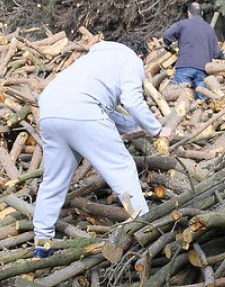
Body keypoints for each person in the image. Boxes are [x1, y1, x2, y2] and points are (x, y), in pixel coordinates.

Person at [31, 35, 172, 258]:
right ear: (141, 55)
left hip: (49, 110)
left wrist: (139, 124)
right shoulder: (131, 59)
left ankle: (41, 242)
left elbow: (104, 110)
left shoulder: (94, 59)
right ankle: (145, 227)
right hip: (82, 110)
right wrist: (157, 129)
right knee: (122, 167)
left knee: (54, 179)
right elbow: (132, 101)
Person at [163, 2, 222, 99]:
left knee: (181, 98)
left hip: (184, 66)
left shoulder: (182, 24)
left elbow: (166, 35)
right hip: (203, 69)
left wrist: (168, 45)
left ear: (188, 13)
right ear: (202, 13)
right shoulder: (209, 29)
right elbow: (216, 53)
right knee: (202, 102)